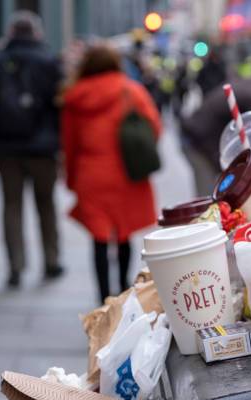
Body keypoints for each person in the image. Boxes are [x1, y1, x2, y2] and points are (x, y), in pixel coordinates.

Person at [61, 44, 161, 303]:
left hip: (91, 175)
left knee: (99, 237)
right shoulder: (131, 91)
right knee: (124, 233)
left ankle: (104, 297)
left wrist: (71, 179)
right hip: (126, 174)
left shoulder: (75, 97)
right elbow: (154, 128)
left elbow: (69, 144)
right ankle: (123, 292)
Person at [0, 11, 63, 288]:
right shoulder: (49, 62)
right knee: (45, 203)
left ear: (10, 33)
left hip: (5, 147)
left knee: (11, 204)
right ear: (36, 32)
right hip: (43, 147)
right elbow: (60, 106)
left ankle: (16, 266)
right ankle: (51, 260)